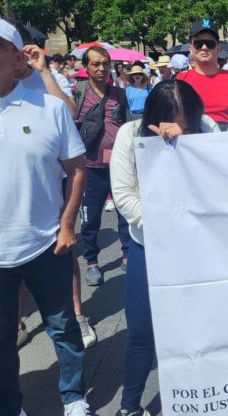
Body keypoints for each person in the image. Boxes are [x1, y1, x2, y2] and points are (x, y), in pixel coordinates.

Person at [0, 17, 92, 416]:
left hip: (46, 242)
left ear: (17, 57)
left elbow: (77, 168)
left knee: (62, 327)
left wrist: (66, 226)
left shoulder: (50, 109)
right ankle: (9, 406)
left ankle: (74, 397)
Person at [110, 80, 220, 416]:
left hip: (201, 249)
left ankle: (209, 397)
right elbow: (125, 195)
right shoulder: (130, 134)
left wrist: (187, 145)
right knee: (141, 332)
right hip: (150, 249)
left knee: (206, 331)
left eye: (187, 122)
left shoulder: (207, 128)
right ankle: (130, 405)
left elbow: (219, 180)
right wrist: (165, 224)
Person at [75, 46, 132, 286]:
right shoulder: (77, 94)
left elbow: (128, 126)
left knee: (124, 213)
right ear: (86, 67)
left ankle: (128, 256)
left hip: (119, 165)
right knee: (91, 217)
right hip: (90, 166)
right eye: (96, 64)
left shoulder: (119, 94)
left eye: (105, 63)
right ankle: (91, 261)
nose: (101, 68)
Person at [176, 18, 228, 130]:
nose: (204, 48)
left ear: (218, 48)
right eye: (198, 44)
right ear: (191, 49)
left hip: (227, 142)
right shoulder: (178, 82)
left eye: (210, 44)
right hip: (190, 142)